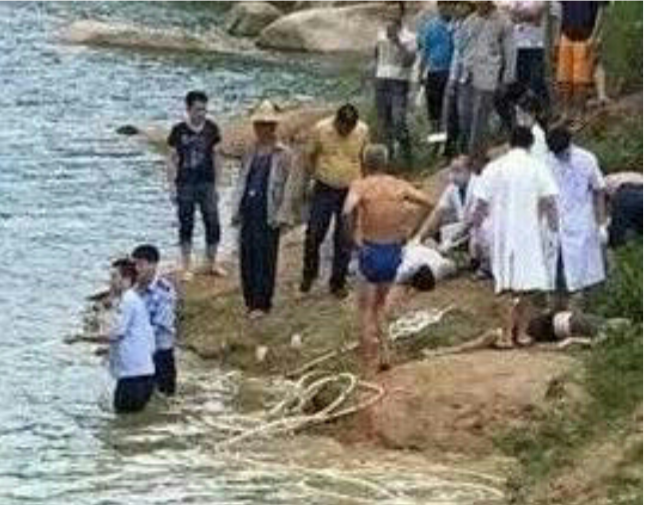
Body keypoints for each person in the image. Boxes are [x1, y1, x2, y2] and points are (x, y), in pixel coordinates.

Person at [343, 144, 433, 373]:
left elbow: (347, 209)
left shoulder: (361, 185)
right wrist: (409, 228)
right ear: (385, 162)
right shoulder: (399, 185)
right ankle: (385, 352)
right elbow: (428, 202)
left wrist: (353, 237)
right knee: (380, 305)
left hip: (371, 249)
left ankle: (367, 363)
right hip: (392, 250)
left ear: (365, 163)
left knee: (365, 309)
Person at [470, 126, 559, 347]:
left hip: (500, 233)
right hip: (529, 233)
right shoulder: (537, 167)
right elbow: (550, 201)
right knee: (527, 284)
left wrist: (475, 229)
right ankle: (521, 334)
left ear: (509, 143)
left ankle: (506, 336)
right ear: (531, 144)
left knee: (505, 285)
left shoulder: (495, 167)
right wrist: (554, 227)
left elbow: (480, 204)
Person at [231, 100, 294, 318]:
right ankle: (250, 300)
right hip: (248, 208)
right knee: (247, 255)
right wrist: (236, 208)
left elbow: (288, 186)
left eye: (265, 125)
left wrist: (284, 213)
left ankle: (262, 303)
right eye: (258, 124)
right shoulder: (250, 150)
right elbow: (242, 179)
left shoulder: (283, 154)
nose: (260, 129)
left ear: (272, 127)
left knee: (265, 257)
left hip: (269, 210)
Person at [299, 104, 369, 299]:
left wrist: (364, 187)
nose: (346, 131)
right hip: (325, 186)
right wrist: (312, 177)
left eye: (349, 127)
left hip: (350, 188)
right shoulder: (321, 129)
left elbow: (363, 158)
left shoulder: (363, 131)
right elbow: (309, 156)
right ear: (336, 121)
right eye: (343, 127)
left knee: (344, 237)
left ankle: (338, 282)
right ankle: (309, 274)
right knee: (314, 233)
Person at [167, 90, 224, 281]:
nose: (201, 113)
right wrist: (171, 186)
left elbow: (217, 156)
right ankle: (186, 266)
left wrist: (218, 184)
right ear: (188, 109)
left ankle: (212, 262)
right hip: (185, 183)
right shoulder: (178, 131)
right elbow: (172, 159)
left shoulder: (212, 129)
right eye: (198, 109)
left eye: (204, 110)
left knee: (213, 221)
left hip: (207, 183)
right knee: (186, 223)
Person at [547, 126, 606, 308]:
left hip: (581, 222)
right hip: (555, 225)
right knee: (555, 273)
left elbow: (599, 191)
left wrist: (601, 223)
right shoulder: (546, 162)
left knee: (581, 274)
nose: (559, 156)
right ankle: (556, 310)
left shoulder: (587, 159)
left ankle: (578, 311)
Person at [454, 1, 516, 156]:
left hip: (488, 76)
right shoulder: (469, 20)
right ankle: (467, 152)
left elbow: (510, 53)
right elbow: (460, 47)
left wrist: (507, 78)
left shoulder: (504, 22)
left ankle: (475, 156)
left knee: (479, 118)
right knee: (464, 115)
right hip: (467, 74)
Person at [105, 258, 156, 414]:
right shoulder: (134, 300)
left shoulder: (127, 300)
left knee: (122, 420)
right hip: (144, 374)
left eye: (114, 277)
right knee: (132, 423)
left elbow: (116, 335)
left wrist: (81, 337)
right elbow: (142, 338)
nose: (110, 281)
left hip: (132, 378)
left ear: (127, 280)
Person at [374, 1, 417, 166]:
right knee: (384, 123)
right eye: (389, 12)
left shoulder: (410, 36)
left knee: (398, 122)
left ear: (402, 14)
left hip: (399, 82)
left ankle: (408, 156)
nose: (392, 15)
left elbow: (409, 61)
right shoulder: (380, 33)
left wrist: (397, 41)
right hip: (381, 80)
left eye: (395, 11)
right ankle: (389, 159)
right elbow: (377, 55)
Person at [131, 244, 177, 396]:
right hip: (139, 353)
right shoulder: (133, 290)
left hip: (160, 354)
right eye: (134, 265)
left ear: (153, 265)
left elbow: (159, 327)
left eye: (140, 265)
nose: (136, 269)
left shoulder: (164, 291)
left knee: (163, 397)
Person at [556, 1, 608, 118]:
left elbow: (602, 9)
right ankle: (565, 114)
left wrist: (595, 36)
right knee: (563, 78)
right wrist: (557, 36)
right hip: (566, 33)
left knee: (581, 80)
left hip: (586, 34)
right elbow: (560, 10)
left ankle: (579, 115)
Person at [415, 155, 475, 248]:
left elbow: (473, 220)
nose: (453, 176)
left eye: (458, 171)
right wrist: (419, 238)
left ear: (470, 171)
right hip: (464, 229)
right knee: (443, 233)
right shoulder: (452, 188)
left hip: (479, 230)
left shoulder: (477, 186)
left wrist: (452, 240)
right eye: (452, 171)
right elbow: (438, 212)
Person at [417, 1, 454, 133]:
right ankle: (436, 137)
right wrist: (420, 72)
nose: (445, 7)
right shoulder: (430, 26)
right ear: (438, 7)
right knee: (433, 108)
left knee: (450, 109)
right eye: (442, 4)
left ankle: (450, 139)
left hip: (452, 73)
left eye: (448, 4)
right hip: (434, 72)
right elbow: (425, 52)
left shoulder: (457, 26)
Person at [604, 172, 642, 248]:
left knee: (618, 235)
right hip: (640, 191)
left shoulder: (603, 181)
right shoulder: (632, 175)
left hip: (626, 193)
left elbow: (601, 205)